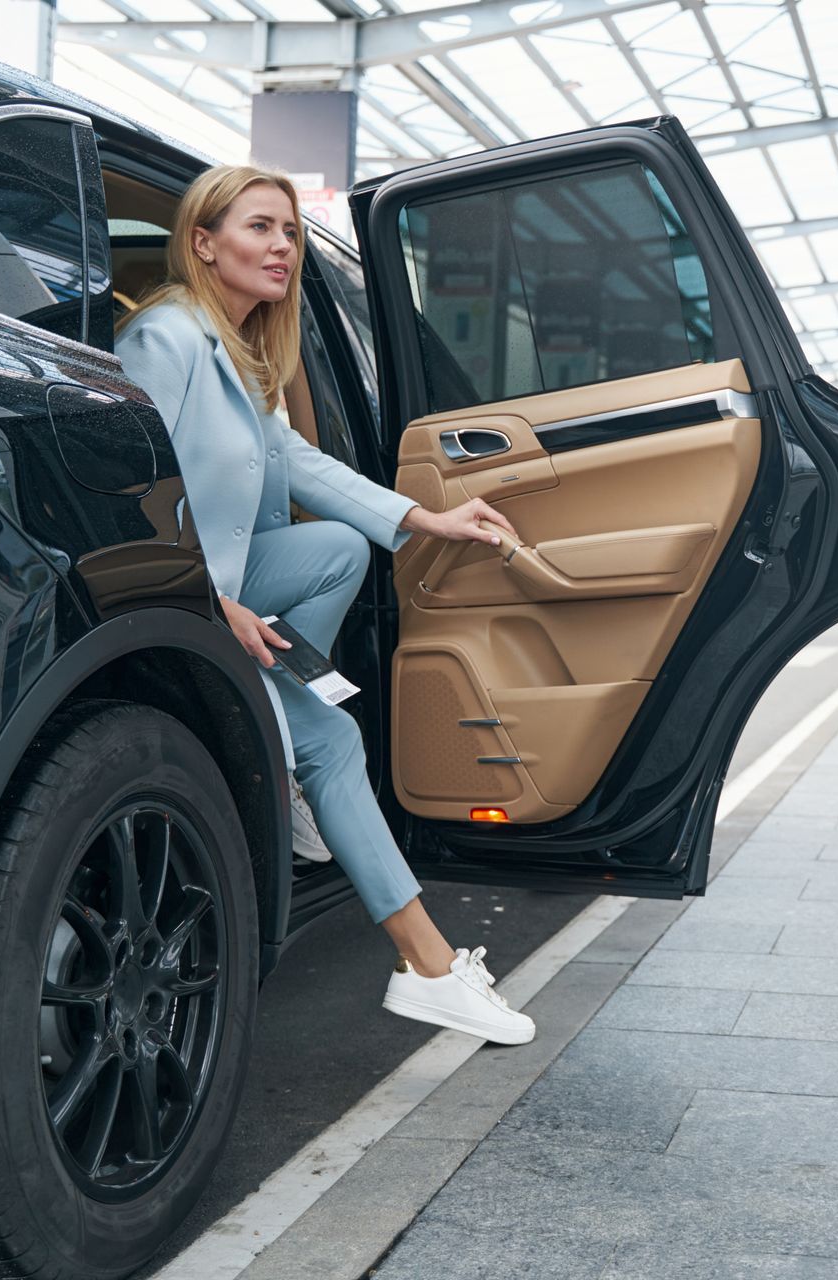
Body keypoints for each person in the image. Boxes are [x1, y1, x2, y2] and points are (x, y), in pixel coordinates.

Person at [116, 164, 535, 1044]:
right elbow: (135, 485)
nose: (282, 247)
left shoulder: (234, 349)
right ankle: (426, 963)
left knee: (341, 547)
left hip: (220, 588)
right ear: (204, 243)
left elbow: (307, 467)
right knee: (334, 738)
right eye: (260, 228)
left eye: (290, 232)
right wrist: (209, 599)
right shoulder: (166, 337)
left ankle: (285, 731)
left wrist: (430, 519)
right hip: (163, 588)